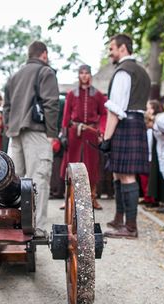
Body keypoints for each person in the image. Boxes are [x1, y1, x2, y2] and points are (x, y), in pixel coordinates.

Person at [99, 34, 151, 239]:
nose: (110, 52)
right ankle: (120, 219)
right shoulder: (142, 72)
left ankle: (130, 227)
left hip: (125, 124)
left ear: (122, 48)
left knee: (127, 174)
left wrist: (107, 139)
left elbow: (115, 109)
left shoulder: (123, 72)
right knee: (119, 173)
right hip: (136, 123)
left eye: (112, 48)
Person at [4, 40, 59, 231]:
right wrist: (52, 133)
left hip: (15, 133)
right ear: (44, 54)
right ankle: (37, 228)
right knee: (38, 179)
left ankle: (13, 225)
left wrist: (8, 128)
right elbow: (51, 103)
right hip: (35, 130)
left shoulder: (14, 76)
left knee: (14, 182)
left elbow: (7, 107)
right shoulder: (45, 72)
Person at [59, 64, 107, 210]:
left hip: (91, 132)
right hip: (75, 132)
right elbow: (66, 115)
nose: (84, 76)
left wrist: (101, 130)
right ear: (79, 75)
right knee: (70, 164)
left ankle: (93, 197)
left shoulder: (98, 94)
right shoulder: (72, 94)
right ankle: (68, 198)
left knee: (91, 165)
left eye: (87, 73)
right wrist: (64, 133)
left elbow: (104, 114)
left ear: (90, 75)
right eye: (82, 73)